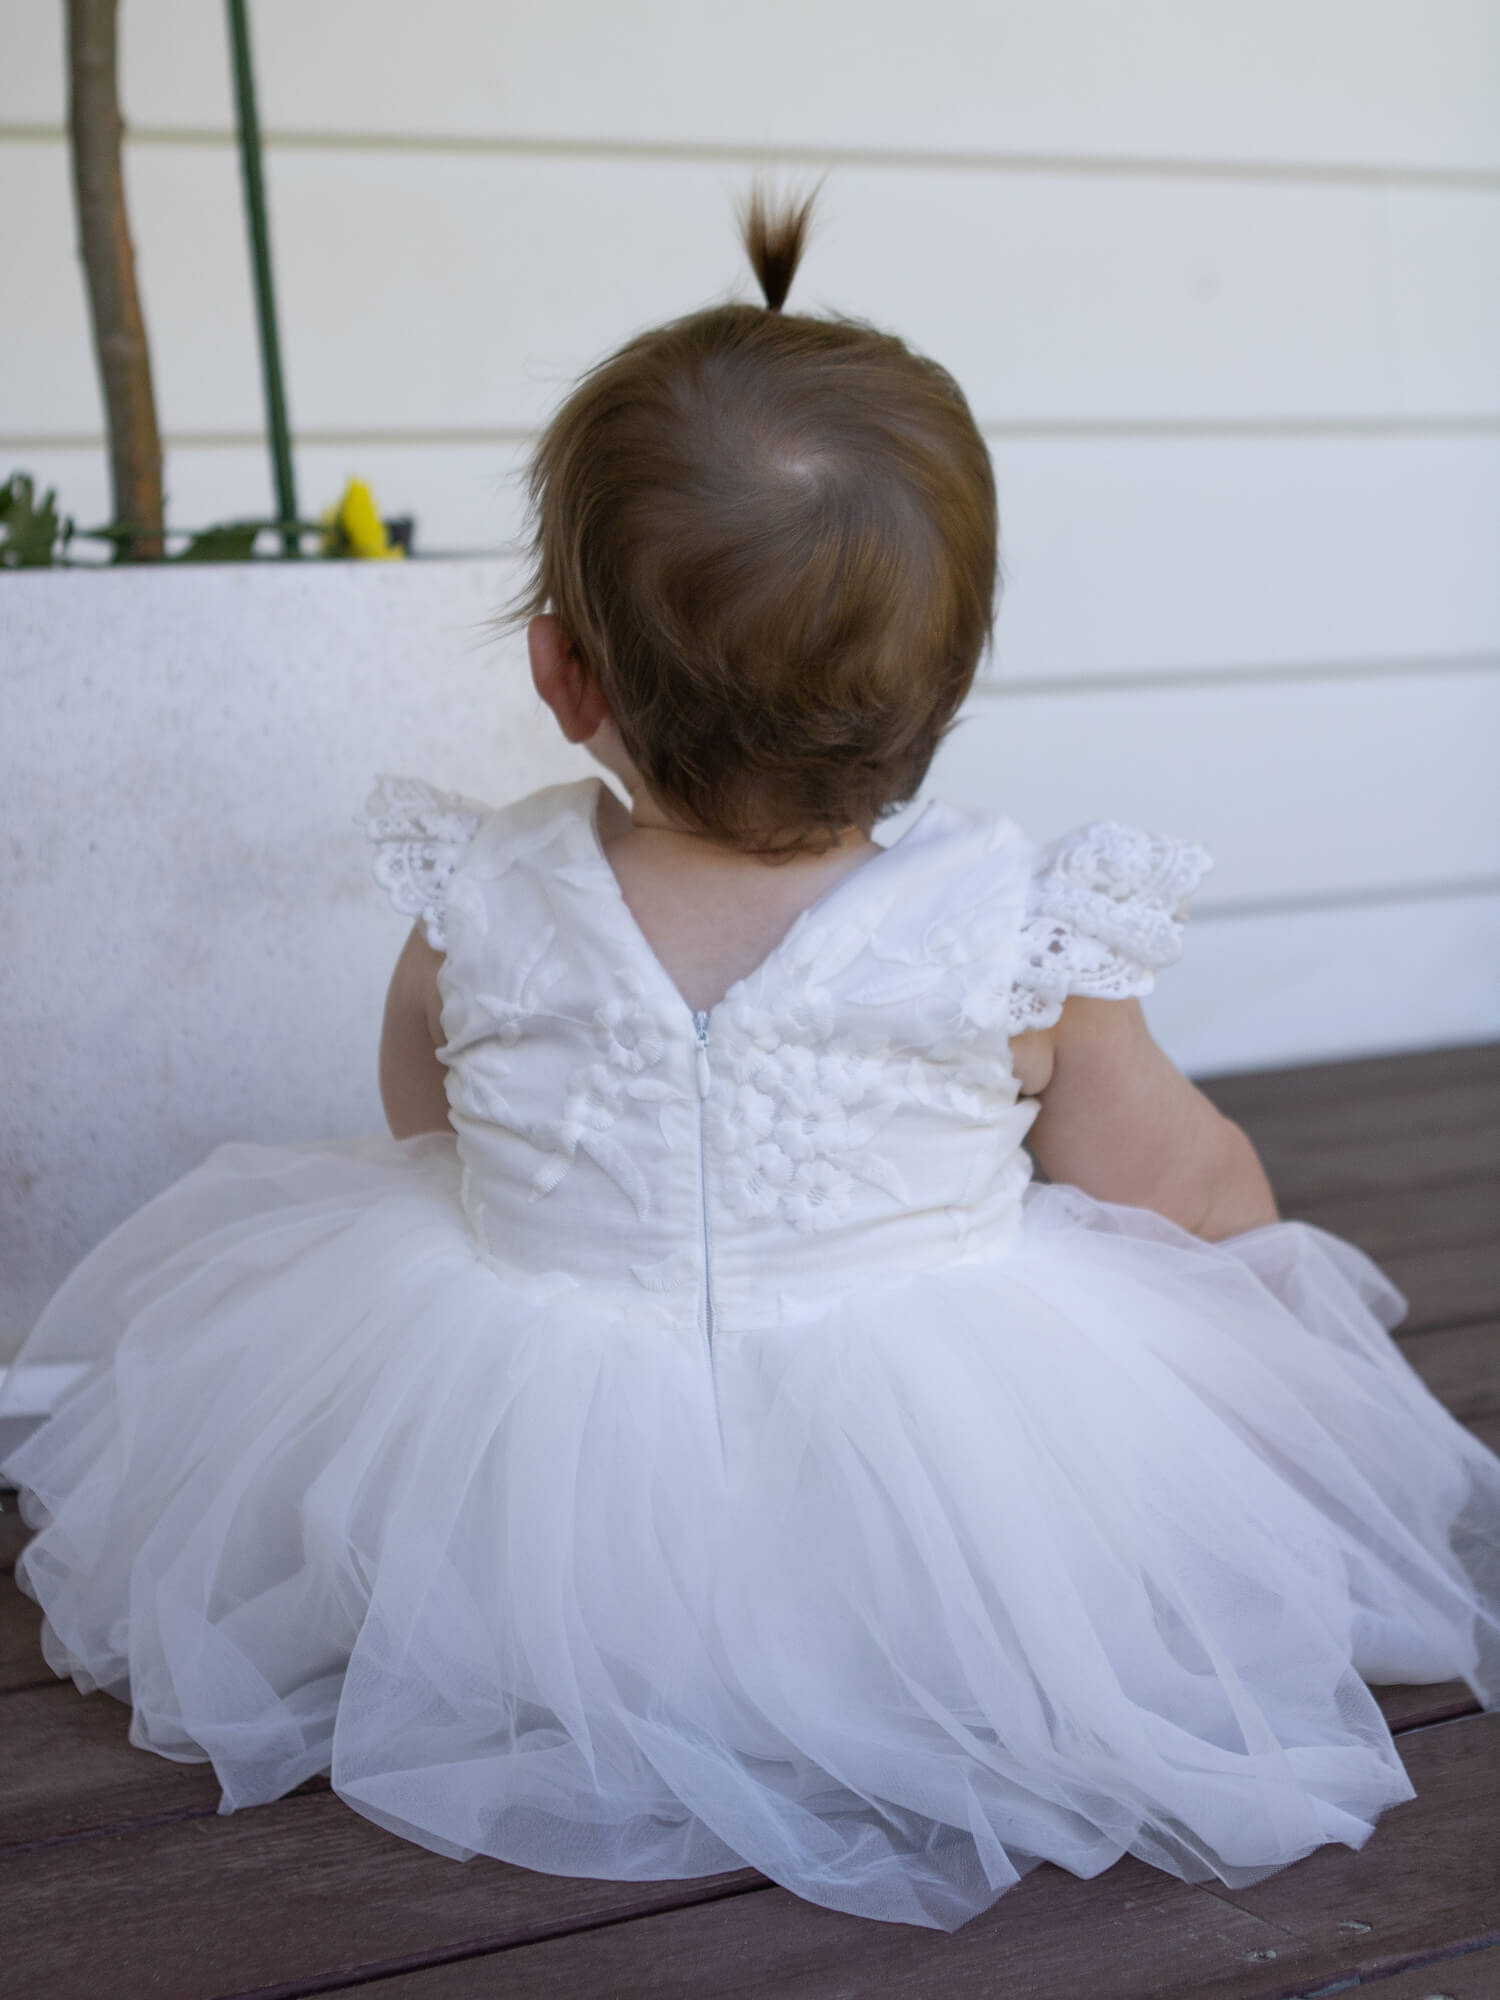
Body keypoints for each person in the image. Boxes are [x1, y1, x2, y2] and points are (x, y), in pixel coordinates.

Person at [3, 194, 1496, 1934]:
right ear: (944, 684)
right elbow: (1163, 1179)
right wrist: (1248, 1327)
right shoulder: (1018, 933)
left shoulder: (484, 894)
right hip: (937, 1494)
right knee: (999, 1589)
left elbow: (429, 1113)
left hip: (530, 1494)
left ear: (563, 674)